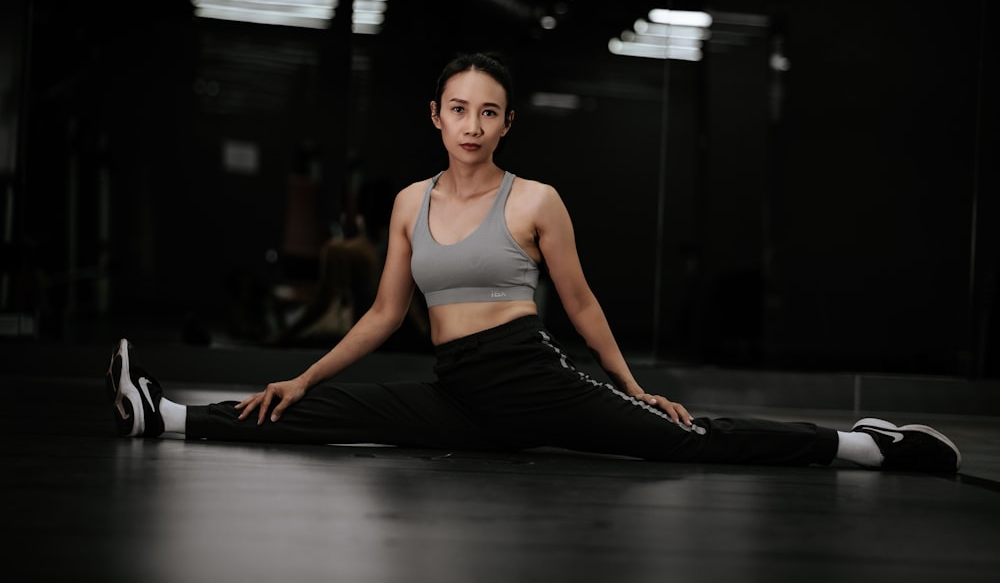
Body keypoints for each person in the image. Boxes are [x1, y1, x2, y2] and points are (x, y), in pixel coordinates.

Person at [106, 51, 960, 474]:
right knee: (332, 412)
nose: (472, 124)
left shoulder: (536, 200)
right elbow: (380, 316)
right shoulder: (410, 203)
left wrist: (629, 386)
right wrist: (302, 374)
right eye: (458, 109)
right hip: (460, 389)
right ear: (435, 116)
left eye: (489, 112)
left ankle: (865, 447)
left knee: (689, 440)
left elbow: (581, 307)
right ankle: (169, 417)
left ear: (508, 123)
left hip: (529, 375)